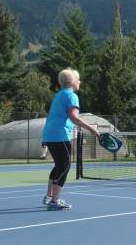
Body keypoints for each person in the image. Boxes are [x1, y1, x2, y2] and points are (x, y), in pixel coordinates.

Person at [42, 68, 99, 210]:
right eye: (78, 79)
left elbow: (55, 117)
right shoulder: (72, 96)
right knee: (65, 165)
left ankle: (49, 197)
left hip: (50, 134)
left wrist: (44, 137)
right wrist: (91, 128)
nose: (80, 81)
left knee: (58, 166)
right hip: (59, 136)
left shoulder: (59, 95)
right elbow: (74, 117)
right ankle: (54, 201)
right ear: (73, 82)